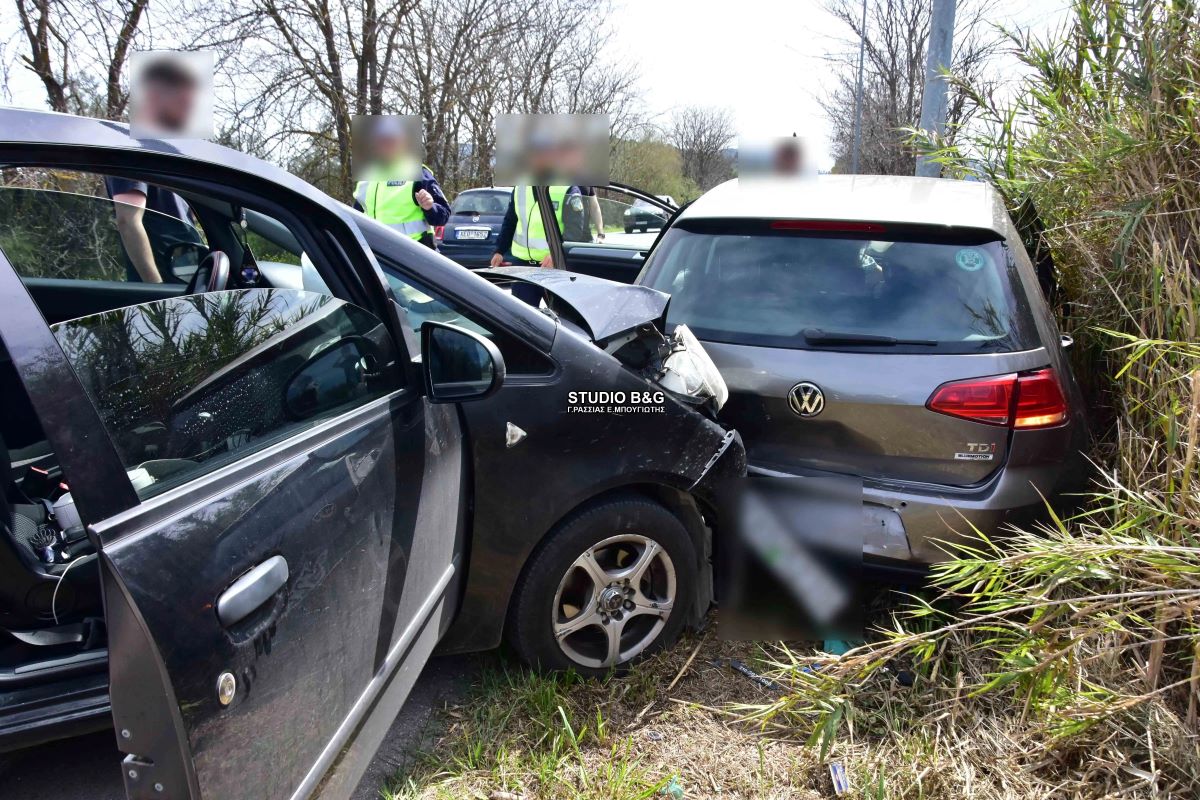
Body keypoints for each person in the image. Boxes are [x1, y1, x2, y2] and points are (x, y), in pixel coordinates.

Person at [107, 55, 205, 283]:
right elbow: (128, 221)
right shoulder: (133, 150)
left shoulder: (166, 153)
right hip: (163, 288)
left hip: (183, 276)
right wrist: (156, 289)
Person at [353, 119, 450, 250]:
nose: (385, 146)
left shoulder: (418, 172)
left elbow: (443, 215)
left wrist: (430, 207)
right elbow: (356, 216)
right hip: (376, 252)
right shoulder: (367, 176)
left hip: (414, 253)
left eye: (390, 141)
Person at [489, 184, 587, 306]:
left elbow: (575, 229)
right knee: (522, 317)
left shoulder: (567, 189)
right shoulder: (520, 188)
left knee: (560, 318)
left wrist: (557, 254)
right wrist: (499, 250)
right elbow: (510, 221)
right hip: (523, 267)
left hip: (553, 267)